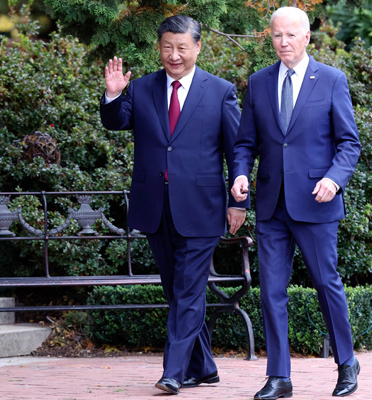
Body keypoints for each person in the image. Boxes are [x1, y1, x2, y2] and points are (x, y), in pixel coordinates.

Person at [100, 14, 249, 395]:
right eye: (168, 47)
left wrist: (239, 202)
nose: (174, 55)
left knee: (187, 291)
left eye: (182, 47)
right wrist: (115, 94)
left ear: (198, 47)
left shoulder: (220, 91)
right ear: (159, 48)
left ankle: (174, 371)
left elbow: (237, 151)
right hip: (154, 205)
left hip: (201, 207)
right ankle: (206, 368)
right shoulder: (143, 87)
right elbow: (117, 123)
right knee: (176, 290)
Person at [231, 6, 362, 399]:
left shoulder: (332, 80)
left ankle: (346, 363)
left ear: (308, 37)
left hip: (316, 203)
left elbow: (349, 143)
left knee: (326, 283)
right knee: (271, 291)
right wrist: (239, 174)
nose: (283, 42)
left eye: (291, 35)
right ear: (269, 38)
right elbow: (244, 143)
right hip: (271, 205)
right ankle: (279, 377)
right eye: (276, 35)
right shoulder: (258, 83)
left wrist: (334, 180)